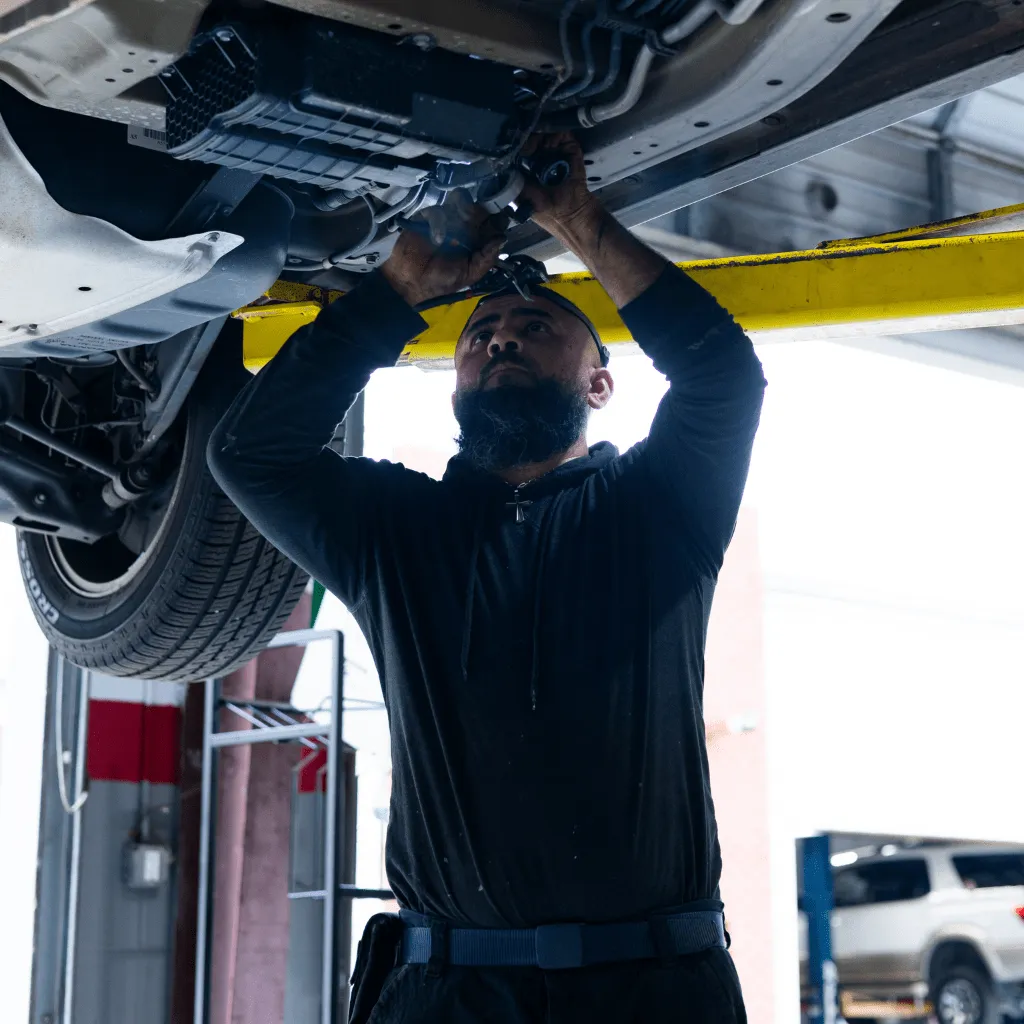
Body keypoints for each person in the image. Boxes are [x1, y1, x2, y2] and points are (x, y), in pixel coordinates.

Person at [208, 133, 766, 1023]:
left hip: (652, 992)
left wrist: (582, 222)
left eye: (535, 329)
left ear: (599, 387)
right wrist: (393, 295)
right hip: (449, 993)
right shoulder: (396, 534)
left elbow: (722, 376)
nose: (501, 338)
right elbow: (248, 454)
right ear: (457, 385)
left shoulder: (659, 511)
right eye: (481, 335)